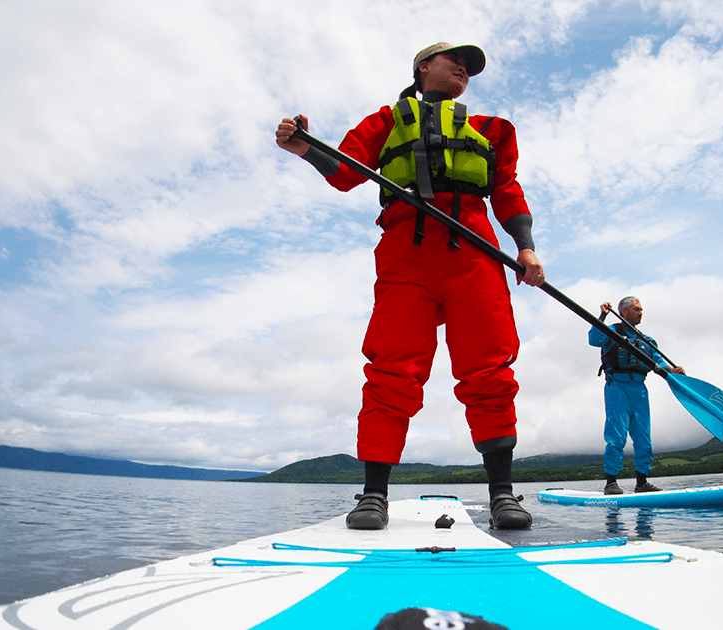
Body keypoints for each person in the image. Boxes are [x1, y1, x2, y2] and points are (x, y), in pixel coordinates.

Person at [275, 42, 544, 530]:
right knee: (391, 367)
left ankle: (503, 495)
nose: (463, 68)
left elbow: (507, 190)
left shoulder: (492, 130)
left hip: (475, 252)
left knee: (490, 367)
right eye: (453, 60)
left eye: (470, 66)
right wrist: (308, 149)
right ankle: (373, 495)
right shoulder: (385, 120)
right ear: (423, 67)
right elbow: (344, 171)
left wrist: (524, 247)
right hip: (405, 252)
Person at [588, 297, 684, 495]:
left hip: (639, 389)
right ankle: (611, 482)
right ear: (623, 312)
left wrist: (672, 371)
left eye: (642, 309)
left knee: (643, 438)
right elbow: (594, 339)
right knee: (617, 436)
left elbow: (658, 363)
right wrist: (603, 315)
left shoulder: (647, 340)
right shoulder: (612, 331)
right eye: (636, 309)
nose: (641, 312)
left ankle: (642, 482)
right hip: (617, 387)